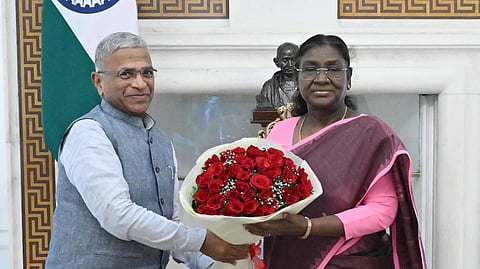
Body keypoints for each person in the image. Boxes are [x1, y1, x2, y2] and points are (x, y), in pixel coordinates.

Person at [45, 32, 249, 269]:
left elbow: (169, 224)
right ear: (98, 82)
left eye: (147, 72)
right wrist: (202, 241)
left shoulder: (160, 140)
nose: (140, 83)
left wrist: (214, 264)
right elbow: (118, 216)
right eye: (126, 74)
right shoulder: (89, 132)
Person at [244, 34, 426, 268]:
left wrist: (308, 227)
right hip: (285, 256)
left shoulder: (371, 133)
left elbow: (382, 210)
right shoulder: (278, 131)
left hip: (353, 259)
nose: (321, 78)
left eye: (333, 69)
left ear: (348, 78)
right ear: (298, 77)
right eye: (310, 69)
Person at [255, 42, 299, 109]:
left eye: (293, 60)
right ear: (277, 62)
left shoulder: (308, 84)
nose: (290, 64)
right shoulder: (268, 88)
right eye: (285, 60)